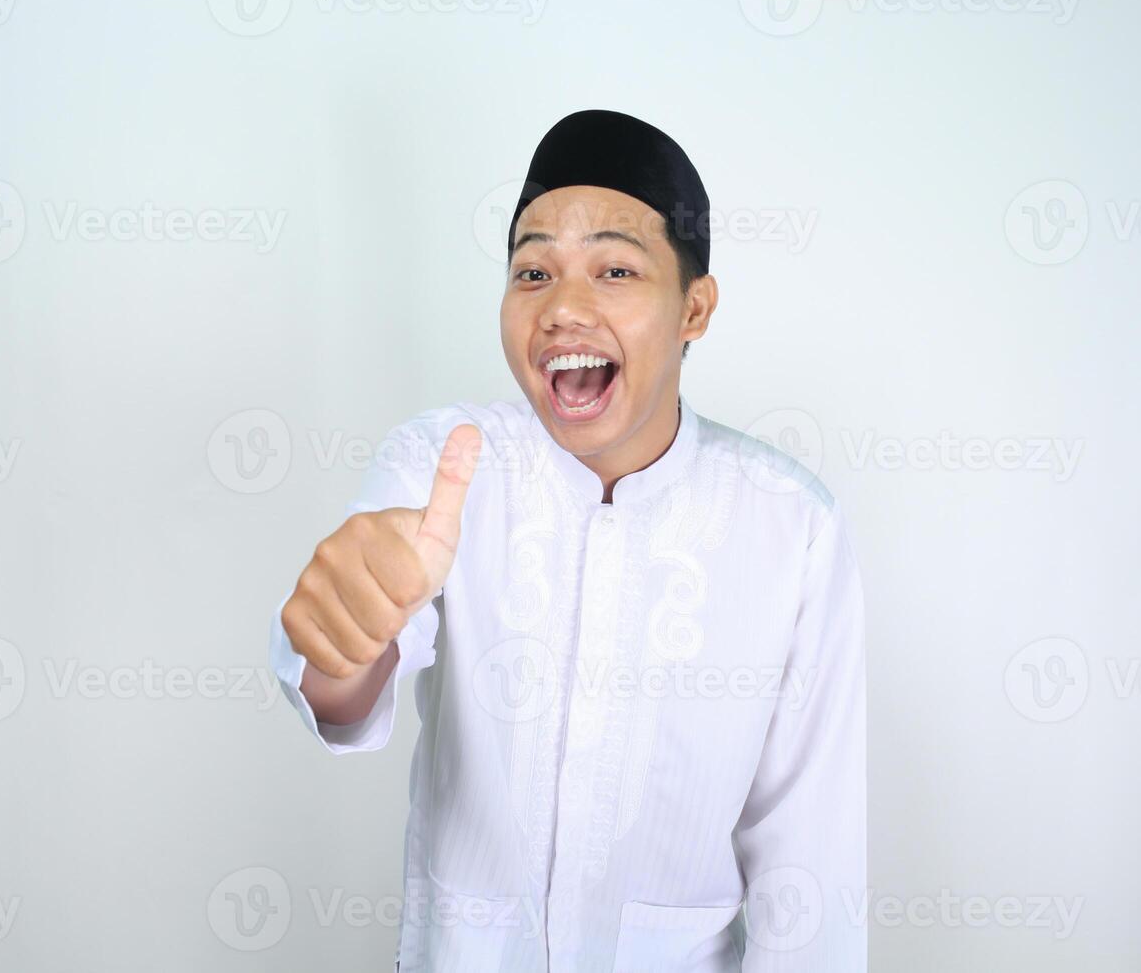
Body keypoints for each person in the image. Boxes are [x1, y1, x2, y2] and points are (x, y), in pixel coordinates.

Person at [268, 109, 866, 972]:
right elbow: (345, 689)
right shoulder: (446, 465)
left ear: (693, 307)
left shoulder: (792, 524)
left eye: (616, 268)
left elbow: (809, 857)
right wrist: (344, 643)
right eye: (532, 271)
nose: (563, 308)